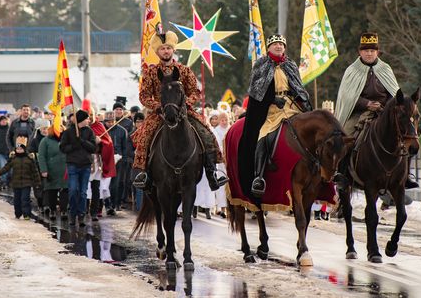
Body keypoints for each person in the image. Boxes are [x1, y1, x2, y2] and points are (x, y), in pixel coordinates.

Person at [131, 30, 228, 192]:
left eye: (168, 48)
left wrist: (186, 103)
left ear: (173, 49)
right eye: (162, 49)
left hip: (183, 112)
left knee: (206, 132)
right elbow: (144, 95)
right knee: (144, 135)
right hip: (159, 113)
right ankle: (142, 173)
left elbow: (195, 91)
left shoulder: (184, 70)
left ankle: (212, 172)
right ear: (158, 52)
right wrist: (157, 106)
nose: (166, 51)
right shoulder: (151, 72)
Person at [334, 32, 418, 189]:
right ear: (360, 52)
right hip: (358, 112)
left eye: (372, 50)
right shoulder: (351, 71)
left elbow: (395, 95)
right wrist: (367, 104)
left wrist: (385, 106)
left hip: (385, 112)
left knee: (405, 137)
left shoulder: (385, 69)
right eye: (365, 50)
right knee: (344, 136)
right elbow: (347, 97)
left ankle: (405, 176)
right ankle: (342, 174)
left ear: (377, 52)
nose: (369, 53)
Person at [240, 34, 312, 198]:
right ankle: (258, 177)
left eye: (281, 44)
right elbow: (256, 91)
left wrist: (304, 101)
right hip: (270, 109)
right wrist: (272, 99)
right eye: (275, 44)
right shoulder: (261, 64)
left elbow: (297, 86)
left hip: (291, 105)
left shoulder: (290, 65)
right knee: (263, 134)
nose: (279, 47)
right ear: (269, 47)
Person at [59, 109, 98, 227]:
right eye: (87, 118)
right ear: (81, 120)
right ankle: (72, 214)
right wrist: (74, 145)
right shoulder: (68, 132)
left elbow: (93, 148)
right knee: (73, 190)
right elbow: (62, 148)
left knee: (83, 192)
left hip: (85, 165)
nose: (89, 120)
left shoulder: (89, 131)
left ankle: (81, 215)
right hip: (73, 165)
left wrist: (82, 141)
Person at [0, 136, 41, 219]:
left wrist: (37, 182)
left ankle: (26, 214)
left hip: (26, 183)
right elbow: (6, 167)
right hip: (16, 183)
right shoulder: (13, 159)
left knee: (25, 199)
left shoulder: (29, 159)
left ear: (24, 149)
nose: (19, 151)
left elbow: (35, 171)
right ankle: (18, 213)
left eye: (21, 149)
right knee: (17, 199)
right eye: (17, 149)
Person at [37, 126, 68, 220]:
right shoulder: (45, 141)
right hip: (51, 170)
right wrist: (44, 170)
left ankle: (64, 210)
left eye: (61, 128)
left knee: (65, 190)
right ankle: (52, 210)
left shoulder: (66, 139)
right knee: (52, 191)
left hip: (65, 169)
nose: (59, 130)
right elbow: (41, 156)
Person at [105, 111, 128, 212]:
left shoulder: (122, 131)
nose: (110, 124)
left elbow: (125, 147)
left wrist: (123, 158)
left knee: (116, 183)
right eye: (108, 122)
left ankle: (115, 204)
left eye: (112, 121)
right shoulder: (103, 131)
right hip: (105, 160)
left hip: (118, 160)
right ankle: (107, 204)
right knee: (106, 184)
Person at [213, 111, 230, 218]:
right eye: (222, 120)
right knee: (222, 185)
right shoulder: (216, 131)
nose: (224, 122)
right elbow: (218, 145)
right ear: (219, 121)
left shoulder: (231, 129)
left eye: (226, 120)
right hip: (221, 162)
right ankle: (222, 208)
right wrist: (222, 156)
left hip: (231, 161)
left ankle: (230, 207)